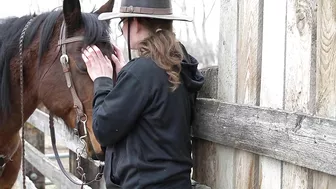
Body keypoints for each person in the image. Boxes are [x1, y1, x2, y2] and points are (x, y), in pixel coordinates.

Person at [81, 0, 205, 188]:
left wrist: (102, 81)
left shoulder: (142, 72)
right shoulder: (178, 66)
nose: (122, 31)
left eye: (123, 23)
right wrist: (126, 77)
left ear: (136, 23)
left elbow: (103, 131)